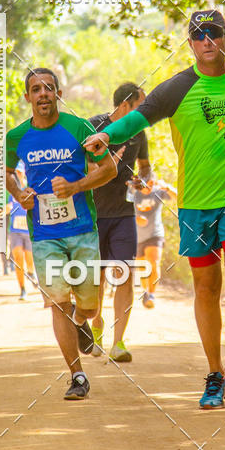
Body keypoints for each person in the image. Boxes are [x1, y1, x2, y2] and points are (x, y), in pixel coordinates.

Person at [84, 9, 225, 409]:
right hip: (195, 203)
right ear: (190, 43)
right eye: (199, 35)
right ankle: (215, 374)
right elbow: (137, 120)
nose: (206, 40)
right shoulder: (176, 88)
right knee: (206, 287)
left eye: (213, 33)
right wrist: (105, 136)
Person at [5, 67, 122, 400]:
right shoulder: (16, 137)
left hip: (83, 230)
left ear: (58, 94)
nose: (43, 93)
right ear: (27, 97)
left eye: (49, 88)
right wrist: (19, 194)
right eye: (36, 89)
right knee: (58, 302)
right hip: (43, 235)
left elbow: (109, 169)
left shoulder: (79, 127)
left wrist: (77, 186)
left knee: (87, 307)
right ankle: (78, 376)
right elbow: (7, 173)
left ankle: (82, 322)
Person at [89, 82, 151, 362]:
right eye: (141, 105)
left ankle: (119, 343)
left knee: (124, 275)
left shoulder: (139, 133)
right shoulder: (94, 126)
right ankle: (96, 330)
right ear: (125, 105)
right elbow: (80, 164)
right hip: (93, 214)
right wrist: (106, 164)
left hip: (124, 214)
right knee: (97, 279)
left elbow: (145, 166)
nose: (146, 112)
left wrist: (144, 180)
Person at [131, 177, 176, 308]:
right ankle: (145, 291)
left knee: (153, 261)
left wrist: (166, 186)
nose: (149, 186)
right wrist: (135, 219)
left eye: (152, 183)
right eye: (147, 183)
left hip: (155, 234)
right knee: (142, 267)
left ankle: (151, 294)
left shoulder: (158, 192)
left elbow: (179, 197)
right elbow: (122, 210)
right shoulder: (133, 193)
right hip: (137, 236)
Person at [6, 162, 36, 300]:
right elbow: (6, 207)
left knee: (29, 258)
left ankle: (31, 272)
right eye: (15, 173)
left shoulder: (31, 188)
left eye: (19, 172)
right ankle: (22, 289)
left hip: (28, 230)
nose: (17, 175)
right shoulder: (11, 191)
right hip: (15, 231)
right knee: (18, 257)